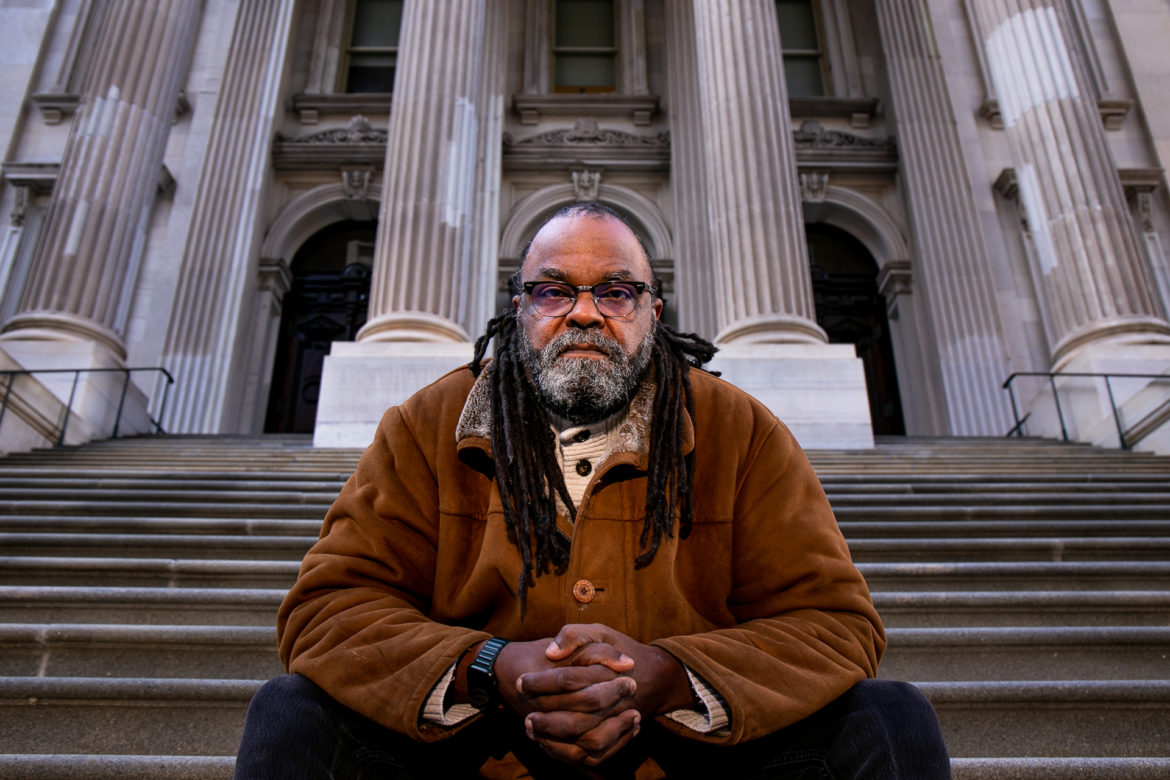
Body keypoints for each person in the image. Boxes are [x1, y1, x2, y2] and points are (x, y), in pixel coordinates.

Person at [234, 202, 951, 779]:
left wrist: (671, 677)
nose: (583, 313)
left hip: (679, 757)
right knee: (292, 712)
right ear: (519, 309)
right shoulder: (426, 424)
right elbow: (328, 610)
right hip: (481, 753)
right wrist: (489, 669)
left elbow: (836, 625)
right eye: (553, 291)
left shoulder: (741, 430)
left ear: (652, 312)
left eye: (615, 291)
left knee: (889, 718)